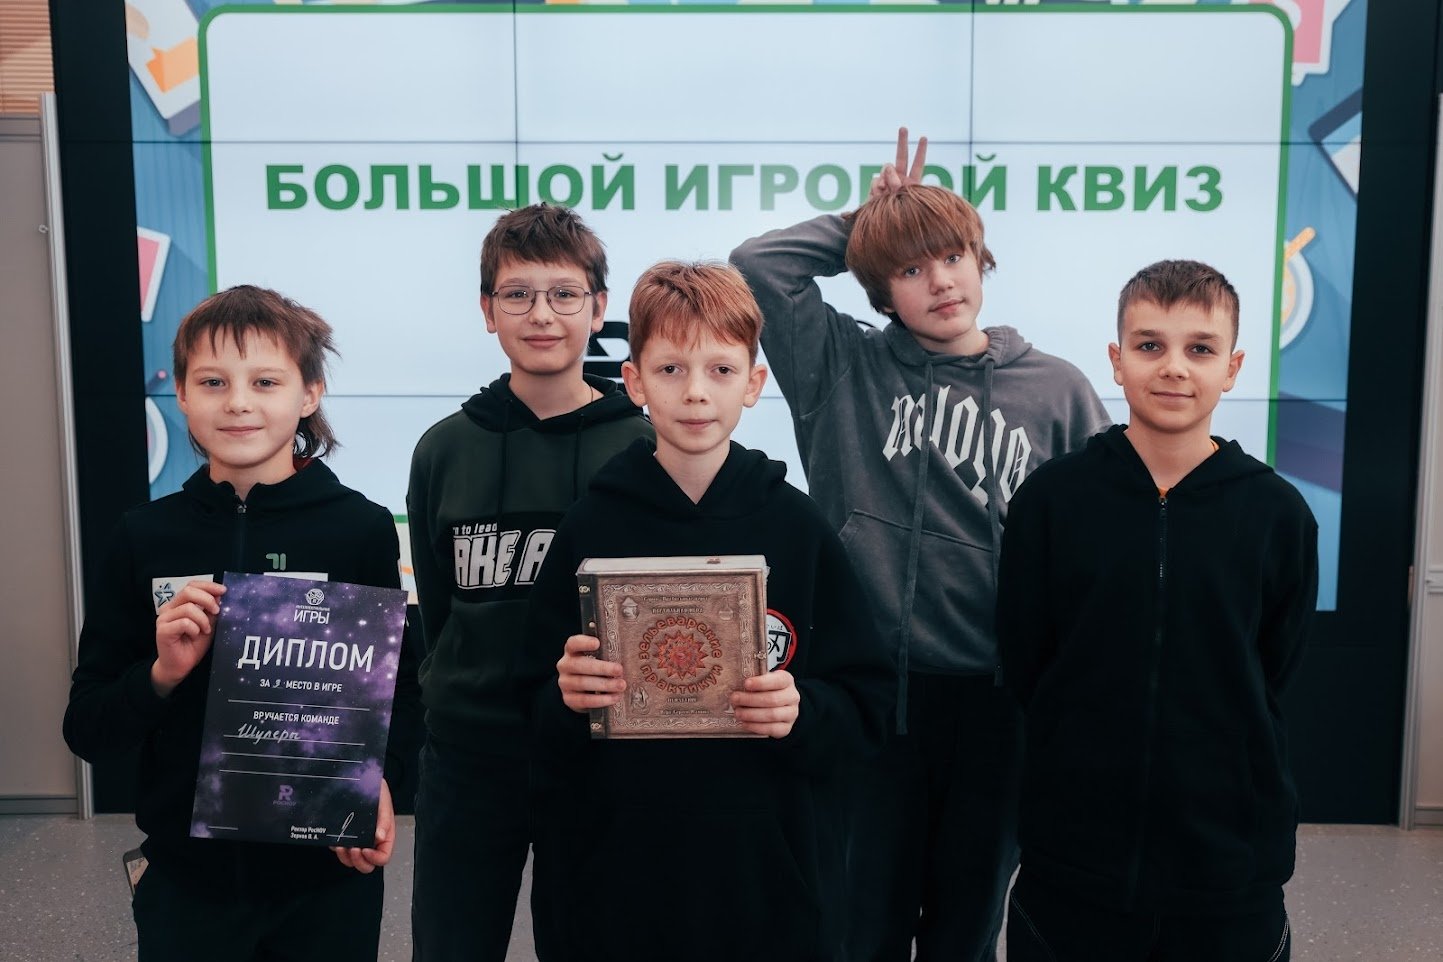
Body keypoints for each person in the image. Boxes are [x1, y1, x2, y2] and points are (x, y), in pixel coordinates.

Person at [729, 129, 1109, 959]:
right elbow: (758, 265)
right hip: (873, 697)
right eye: (908, 269)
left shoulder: (1056, 389)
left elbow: (1094, 545)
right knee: (858, 926)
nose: (939, 281)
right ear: (880, 291)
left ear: (981, 260)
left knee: (964, 928)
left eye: (952, 257)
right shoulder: (841, 368)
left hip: (998, 703)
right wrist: (864, 224)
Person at [520, 260, 892, 962]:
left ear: (753, 383)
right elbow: (531, 707)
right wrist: (566, 696)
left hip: (763, 882)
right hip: (618, 883)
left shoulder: (798, 528)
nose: (695, 392)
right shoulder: (589, 527)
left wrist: (803, 709)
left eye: (720, 370)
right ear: (634, 382)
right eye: (670, 369)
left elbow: (865, 704)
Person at [63, 285, 414, 961]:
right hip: (188, 882)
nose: (238, 402)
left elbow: (400, 693)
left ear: (309, 394)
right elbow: (88, 728)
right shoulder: (144, 536)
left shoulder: (360, 529)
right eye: (213, 382)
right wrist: (161, 675)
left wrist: (383, 778)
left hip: (325, 877)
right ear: (181, 395)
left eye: (265, 381)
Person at [996, 259, 1317, 961]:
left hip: (1228, 870)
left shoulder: (1276, 512)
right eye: (1150, 345)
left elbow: (1273, 663)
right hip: (1072, 863)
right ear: (1117, 360)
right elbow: (1026, 657)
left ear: (1231, 368)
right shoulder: (1051, 501)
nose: (1174, 367)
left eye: (1199, 348)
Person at [406, 204, 652, 961]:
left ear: (598, 309)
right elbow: (439, 606)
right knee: (452, 945)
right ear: (488, 311)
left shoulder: (643, 447)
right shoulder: (443, 449)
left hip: (597, 752)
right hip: (468, 752)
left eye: (564, 294)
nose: (541, 314)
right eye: (517, 294)